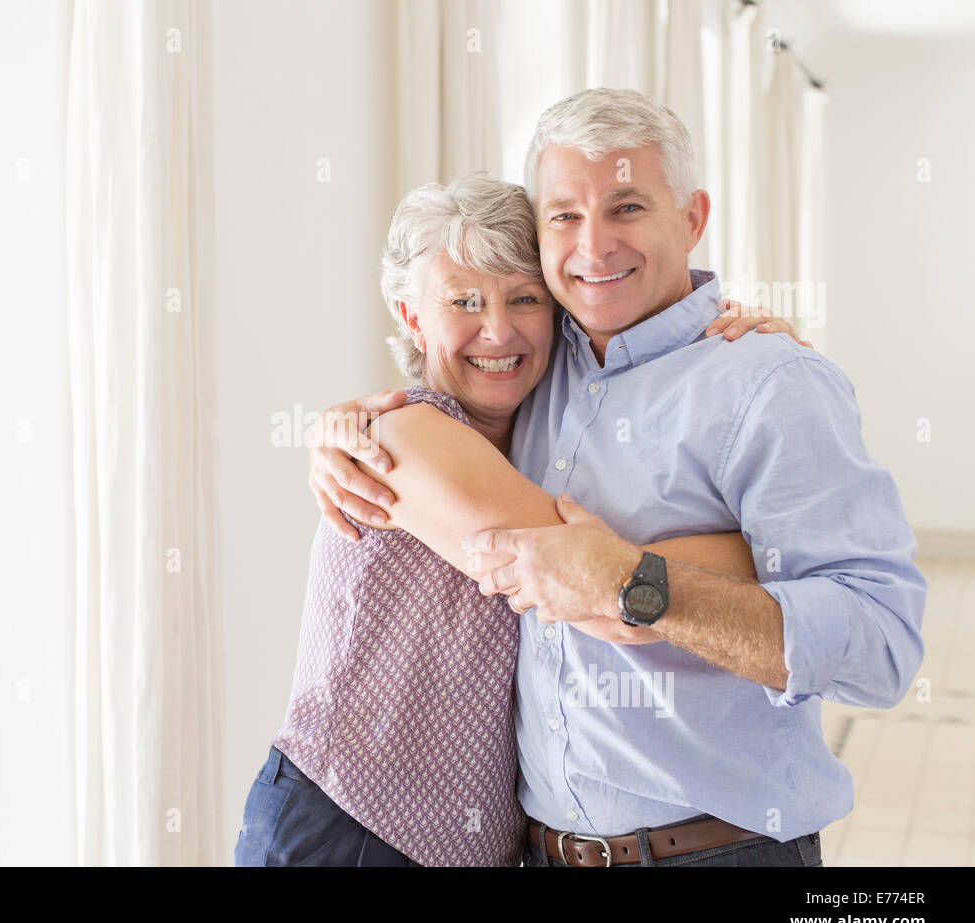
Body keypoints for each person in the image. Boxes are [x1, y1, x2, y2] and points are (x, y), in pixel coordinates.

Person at [311, 89, 926, 867]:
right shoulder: (533, 362)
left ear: (693, 218)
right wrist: (339, 425)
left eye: (627, 207)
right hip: (538, 851)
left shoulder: (770, 381)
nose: (593, 247)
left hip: (717, 853)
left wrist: (638, 582)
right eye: (564, 215)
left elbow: (880, 645)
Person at [236, 172, 799, 867]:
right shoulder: (404, 435)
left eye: (524, 298)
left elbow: (612, 573)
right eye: (463, 301)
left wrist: (737, 333)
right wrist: (774, 553)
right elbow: (606, 599)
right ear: (412, 316)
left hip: (472, 844)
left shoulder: (542, 446)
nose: (496, 330)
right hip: (348, 828)